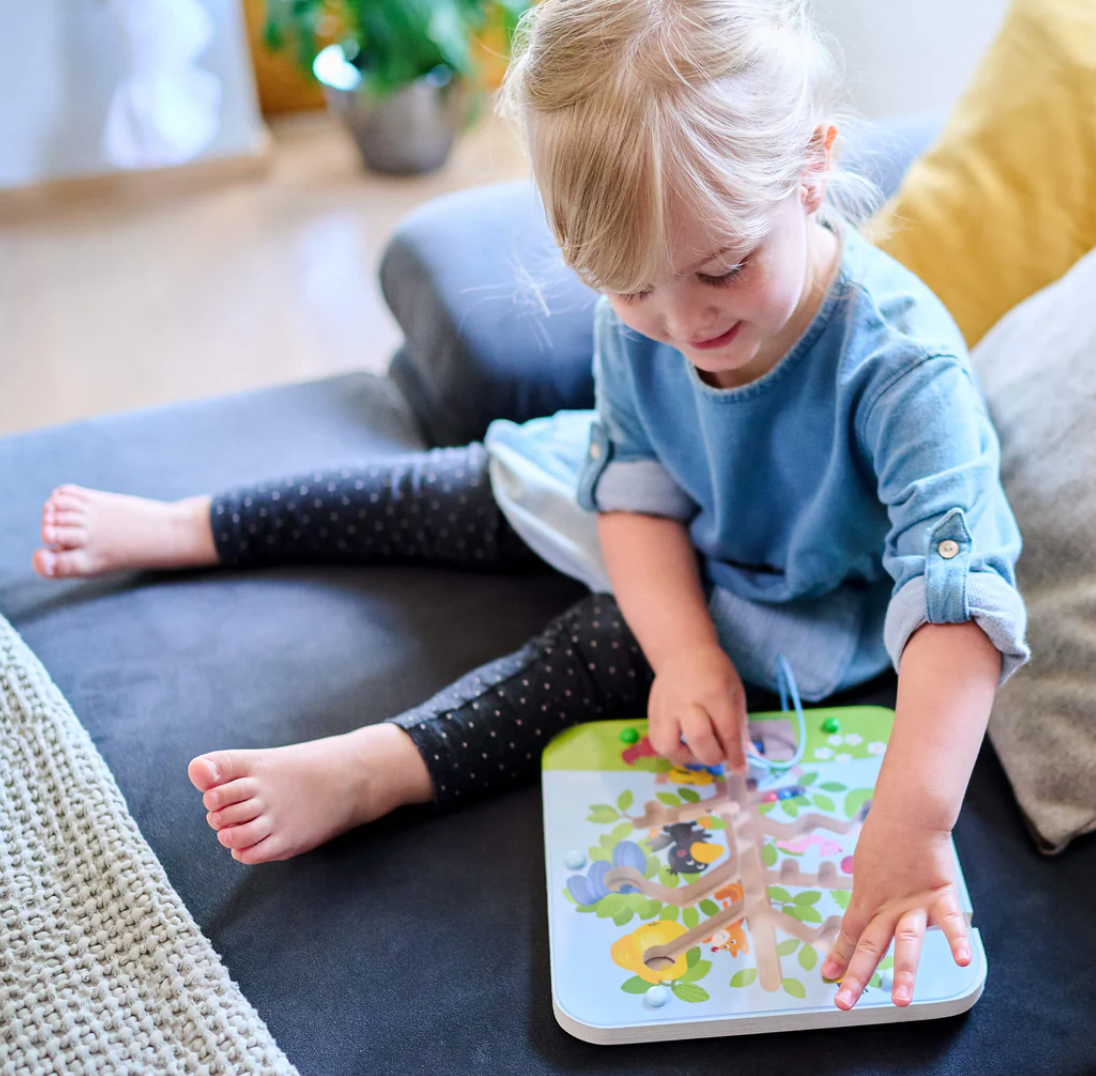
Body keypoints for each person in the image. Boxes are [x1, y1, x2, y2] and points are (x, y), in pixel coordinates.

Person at [31, 0, 1027, 1012]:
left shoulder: (904, 369)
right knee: (463, 484)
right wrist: (683, 650)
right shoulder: (644, 316)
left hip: (791, 595)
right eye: (631, 287)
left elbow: (955, 604)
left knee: (598, 648)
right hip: (675, 516)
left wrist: (909, 818)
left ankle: (379, 768)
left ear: (812, 166)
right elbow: (634, 493)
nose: (683, 321)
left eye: (724, 267)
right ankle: (195, 523)